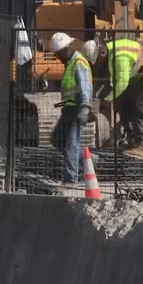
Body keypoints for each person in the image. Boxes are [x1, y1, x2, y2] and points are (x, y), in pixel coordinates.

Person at [96, 37, 143, 159]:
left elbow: (122, 81)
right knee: (127, 104)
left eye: (97, 60)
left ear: (101, 53)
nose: (99, 62)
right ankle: (134, 141)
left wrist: (109, 97)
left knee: (139, 111)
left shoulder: (119, 56)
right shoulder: (115, 49)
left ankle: (142, 147)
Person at [49, 32, 93, 183]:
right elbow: (70, 93)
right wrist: (59, 104)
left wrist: (85, 108)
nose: (58, 58)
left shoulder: (79, 62)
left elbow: (85, 87)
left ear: (66, 49)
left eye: (59, 54)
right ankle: (90, 158)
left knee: (72, 143)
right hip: (68, 108)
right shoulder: (69, 64)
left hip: (77, 109)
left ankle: (71, 178)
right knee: (57, 139)